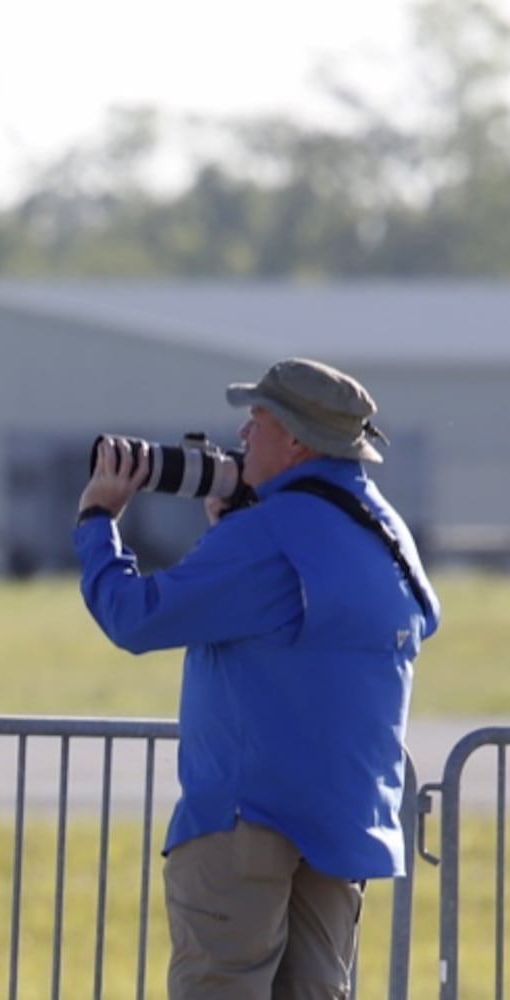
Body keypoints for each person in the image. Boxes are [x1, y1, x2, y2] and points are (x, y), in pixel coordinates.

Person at [74, 357, 440, 999]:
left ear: (296, 439)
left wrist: (99, 521)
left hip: (248, 818)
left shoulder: (269, 534)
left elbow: (132, 618)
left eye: (257, 421)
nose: (241, 437)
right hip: (346, 821)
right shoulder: (385, 533)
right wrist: (231, 530)